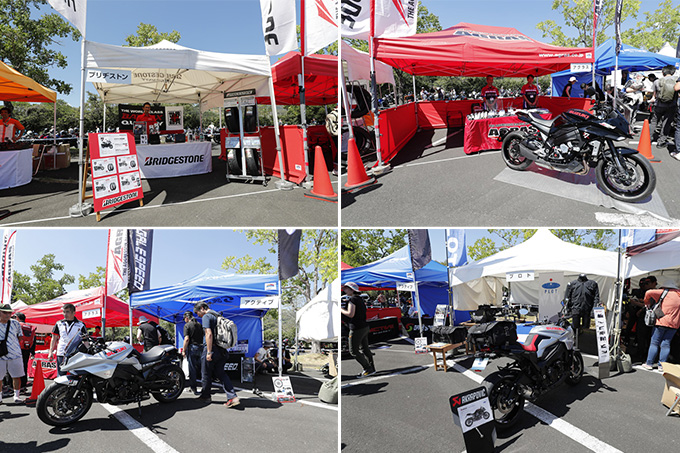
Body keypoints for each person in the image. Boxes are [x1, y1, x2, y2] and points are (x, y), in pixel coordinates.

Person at [193, 302, 240, 408]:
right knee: (221, 373)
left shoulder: (207, 317)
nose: (198, 315)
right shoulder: (218, 315)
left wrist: (209, 352)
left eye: (197, 312)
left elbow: (208, 334)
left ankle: (205, 396)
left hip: (212, 348)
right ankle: (232, 397)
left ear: (202, 308)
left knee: (205, 373)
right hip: (222, 349)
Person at [642, 279, 680, 370]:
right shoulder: (678, 294)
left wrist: (646, 302)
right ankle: (662, 365)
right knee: (666, 344)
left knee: (654, 343)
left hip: (661, 321)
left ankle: (649, 363)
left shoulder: (664, 292)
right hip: (674, 324)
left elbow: (648, 292)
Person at [340, 282, 375, 377]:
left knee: (353, 351)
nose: (344, 290)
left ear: (352, 290)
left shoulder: (353, 299)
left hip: (356, 328)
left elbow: (350, 314)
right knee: (365, 349)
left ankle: (367, 368)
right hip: (364, 326)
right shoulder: (359, 299)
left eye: (346, 288)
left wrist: (340, 309)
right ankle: (371, 368)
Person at [47, 304, 87, 376]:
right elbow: (54, 338)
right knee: (61, 375)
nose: (65, 314)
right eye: (64, 312)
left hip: (75, 353)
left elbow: (85, 340)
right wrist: (50, 352)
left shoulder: (81, 324)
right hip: (61, 352)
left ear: (74, 312)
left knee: (75, 375)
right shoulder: (59, 323)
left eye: (67, 312)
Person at [0, 305, 24, 404]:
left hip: (15, 354)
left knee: (16, 376)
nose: (7, 314)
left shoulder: (15, 323)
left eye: (9, 312)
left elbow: (20, 337)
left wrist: (13, 345)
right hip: (0, 355)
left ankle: (16, 396)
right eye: (4, 312)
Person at [563, 274, 600, 339]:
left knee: (586, 329)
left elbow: (596, 298)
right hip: (575, 309)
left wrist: (593, 310)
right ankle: (575, 340)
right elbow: (567, 298)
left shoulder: (592, 284)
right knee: (575, 327)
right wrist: (567, 310)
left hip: (587, 309)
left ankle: (584, 341)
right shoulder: (572, 284)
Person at [182, 311, 204, 395]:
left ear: (186, 318)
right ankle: (205, 387)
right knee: (202, 368)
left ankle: (193, 388)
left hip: (192, 348)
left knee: (192, 369)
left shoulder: (187, 325)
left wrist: (183, 350)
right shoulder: (199, 324)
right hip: (201, 347)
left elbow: (186, 339)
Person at [15, 313, 35, 392]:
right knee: (24, 367)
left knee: (14, 368)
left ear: (17, 318)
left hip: (17, 349)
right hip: (27, 349)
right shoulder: (30, 326)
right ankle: (23, 385)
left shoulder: (17, 325)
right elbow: (34, 339)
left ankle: (14, 386)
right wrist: (32, 351)